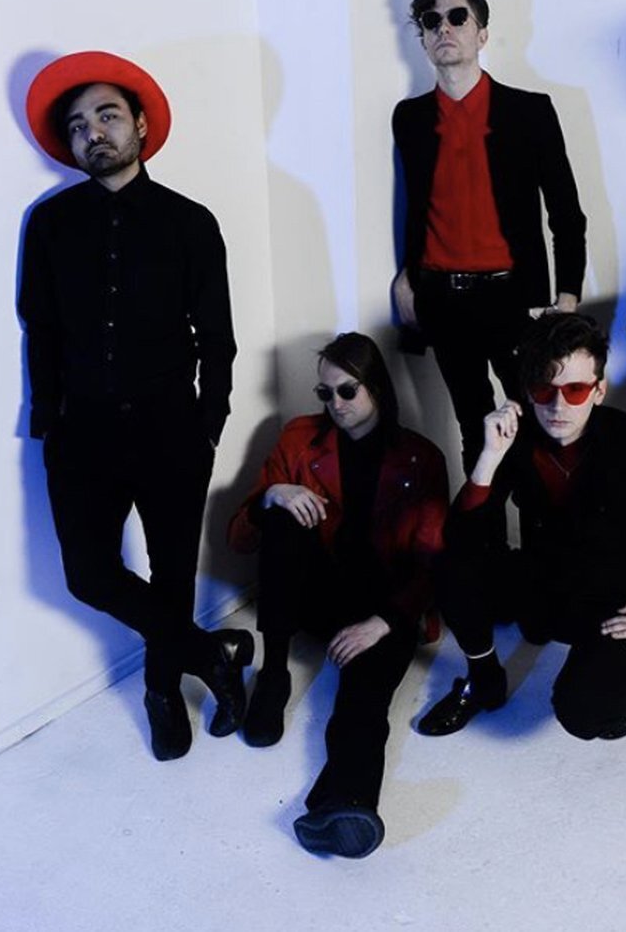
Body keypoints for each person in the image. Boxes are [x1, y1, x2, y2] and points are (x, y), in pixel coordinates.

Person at [18, 51, 251, 762]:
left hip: (171, 429)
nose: (93, 132)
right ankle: (209, 656)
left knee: (173, 573)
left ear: (141, 125)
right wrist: (49, 420)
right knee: (87, 575)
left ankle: (161, 693)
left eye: (107, 115)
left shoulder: (190, 222)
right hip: (81, 434)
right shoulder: (50, 223)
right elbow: (40, 326)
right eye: (78, 125)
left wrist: (209, 423)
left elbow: (217, 336)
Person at [416, 314, 626, 741]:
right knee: (452, 562)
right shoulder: (515, 440)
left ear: (599, 390)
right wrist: (489, 458)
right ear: (526, 390)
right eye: (543, 390)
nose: (558, 407)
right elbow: (461, 540)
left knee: (587, 716)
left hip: (621, 600)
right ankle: (484, 680)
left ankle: (622, 674)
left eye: (575, 390)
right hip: (548, 583)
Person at [228, 333, 448, 858]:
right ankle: (274, 676)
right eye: (325, 393)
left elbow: (433, 564)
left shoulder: (420, 458)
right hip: (320, 592)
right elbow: (239, 538)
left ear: (376, 388)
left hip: (384, 605)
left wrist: (384, 621)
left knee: (364, 699)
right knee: (282, 519)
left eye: (347, 391)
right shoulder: (299, 439)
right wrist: (273, 495)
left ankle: (347, 803)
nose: (335, 404)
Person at [392, 0, 587, 480]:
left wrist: (567, 296)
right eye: (431, 21)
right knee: (473, 427)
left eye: (458, 17)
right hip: (443, 299)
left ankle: (541, 524)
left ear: (482, 34)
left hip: (513, 299)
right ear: (423, 39)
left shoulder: (529, 111)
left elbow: (566, 211)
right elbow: (415, 205)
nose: (444, 28)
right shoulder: (409, 118)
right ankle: (486, 527)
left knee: (542, 420)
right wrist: (408, 275)